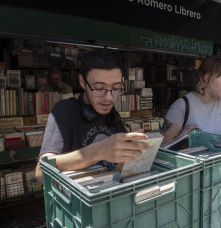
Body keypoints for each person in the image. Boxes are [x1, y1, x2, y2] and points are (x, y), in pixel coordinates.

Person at [35, 50, 150, 185]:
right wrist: (99, 151)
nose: (108, 98)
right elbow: (41, 173)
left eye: (116, 88)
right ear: (82, 82)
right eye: (99, 88)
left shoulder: (112, 114)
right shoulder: (64, 110)